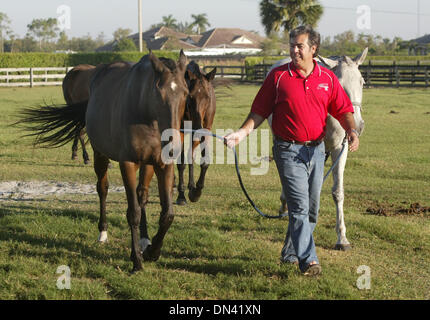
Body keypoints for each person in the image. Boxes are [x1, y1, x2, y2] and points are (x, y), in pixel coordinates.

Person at [224, 25, 359, 276]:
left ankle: (289, 253)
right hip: (287, 150)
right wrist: (241, 133)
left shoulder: (327, 78)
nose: (294, 50)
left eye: (300, 46)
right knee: (298, 206)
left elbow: (343, 109)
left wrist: (351, 130)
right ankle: (308, 260)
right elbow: (259, 111)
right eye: (292, 45)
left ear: (313, 49)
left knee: (311, 209)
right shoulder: (278, 77)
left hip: (317, 151)